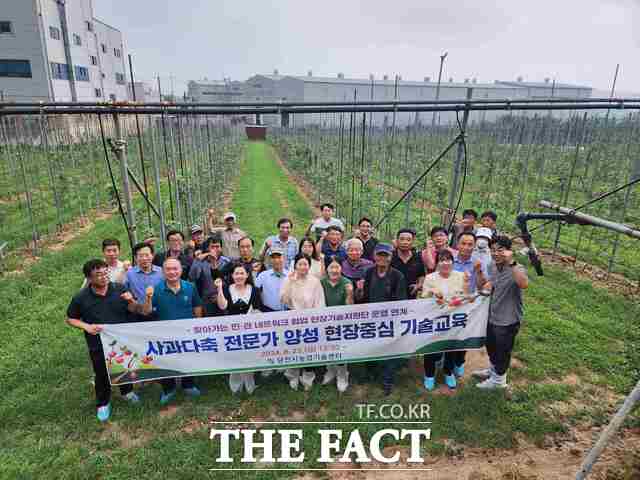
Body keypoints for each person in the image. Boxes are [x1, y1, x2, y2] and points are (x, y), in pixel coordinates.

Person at [66, 259, 151, 422]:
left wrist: (131, 301)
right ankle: (103, 403)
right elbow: (70, 318)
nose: (104, 277)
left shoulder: (119, 289)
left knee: (125, 365)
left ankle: (127, 391)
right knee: (102, 373)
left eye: (106, 273)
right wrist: (86, 327)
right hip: (98, 342)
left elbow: (134, 310)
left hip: (121, 340)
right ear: (89, 278)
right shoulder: (81, 298)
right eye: (98, 274)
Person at [142, 258, 204, 405]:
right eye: (168, 269)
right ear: (163, 272)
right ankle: (168, 389)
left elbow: (197, 306)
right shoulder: (156, 289)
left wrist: (198, 325)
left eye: (175, 269)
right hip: (164, 334)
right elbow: (146, 311)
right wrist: (148, 298)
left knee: (188, 359)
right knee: (166, 362)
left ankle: (188, 384)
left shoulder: (190, 287)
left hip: (187, 332)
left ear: (181, 270)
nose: (172, 272)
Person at [474, 235, 528, 390]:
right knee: (491, 346)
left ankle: (499, 381)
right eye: (493, 250)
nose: (496, 253)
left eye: (500, 250)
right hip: (493, 315)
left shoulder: (516, 268)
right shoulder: (492, 265)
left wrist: (512, 263)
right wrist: (478, 273)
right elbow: (487, 284)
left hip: (508, 319)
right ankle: (493, 371)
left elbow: (523, 284)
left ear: (509, 252)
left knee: (502, 351)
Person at [355, 243, 407, 396]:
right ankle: (370, 373)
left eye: (386, 255)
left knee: (389, 349)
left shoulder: (398, 276)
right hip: (370, 319)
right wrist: (359, 289)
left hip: (389, 321)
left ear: (391, 257)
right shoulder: (368, 272)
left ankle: (387, 379)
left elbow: (401, 301)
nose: (382, 258)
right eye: (379, 255)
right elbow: (360, 298)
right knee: (370, 346)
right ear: (374, 256)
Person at [421, 249, 470, 391]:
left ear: (453, 262)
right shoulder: (430, 278)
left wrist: (466, 284)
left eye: (449, 259)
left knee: (451, 347)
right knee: (431, 348)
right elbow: (423, 297)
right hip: (434, 320)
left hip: (453, 319)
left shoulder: (461, 276)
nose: (445, 263)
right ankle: (429, 375)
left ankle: (448, 372)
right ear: (437, 263)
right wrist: (432, 292)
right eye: (442, 260)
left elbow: (466, 297)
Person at [280, 253, 326, 390]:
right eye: (300, 264)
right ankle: (293, 374)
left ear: (309, 266)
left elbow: (320, 302)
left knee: (309, 350)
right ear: (295, 266)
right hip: (293, 320)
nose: (303, 267)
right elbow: (284, 300)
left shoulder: (315, 281)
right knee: (294, 349)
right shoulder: (289, 280)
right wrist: (290, 282)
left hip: (311, 321)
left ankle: (307, 376)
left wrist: (316, 319)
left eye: (305, 264)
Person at [215, 263, 263, 394]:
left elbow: (258, 309)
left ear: (247, 275)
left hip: (249, 330)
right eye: (236, 273)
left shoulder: (254, 290)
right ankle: (235, 386)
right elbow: (223, 306)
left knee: (248, 357)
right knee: (235, 357)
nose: (239, 276)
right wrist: (219, 289)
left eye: (242, 273)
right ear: (232, 275)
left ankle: (249, 384)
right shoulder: (227, 289)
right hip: (231, 330)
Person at [450, 231, 489, 377]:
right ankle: (444, 359)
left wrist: (478, 271)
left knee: (463, 335)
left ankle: (459, 361)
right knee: (447, 332)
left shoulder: (478, 262)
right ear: (457, 244)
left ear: (474, 246)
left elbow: (480, 286)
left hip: (467, 305)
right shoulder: (450, 259)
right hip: (449, 304)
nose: (466, 247)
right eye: (463, 243)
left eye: (470, 244)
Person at [320, 259, 353, 392]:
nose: (334, 270)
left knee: (340, 350)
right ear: (327, 269)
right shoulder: (321, 283)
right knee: (327, 348)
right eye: (331, 267)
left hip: (341, 322)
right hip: (324, 322)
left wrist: (350, 294)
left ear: (341, 268)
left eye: (337, 267)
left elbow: (349, 306)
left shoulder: (346, 283)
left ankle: (342, 375)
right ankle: (330, 371)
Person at [188, 236, 231, 317]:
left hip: (224, 299)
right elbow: (192, 277)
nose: (215, 249)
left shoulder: (226, 262)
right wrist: (197, 260)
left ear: (221, 248)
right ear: (208, 248)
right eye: (212, 247)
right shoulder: (202, 262)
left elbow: (228, 281)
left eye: (217, 246)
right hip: (207, 301)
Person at [391, 228, 426, 299]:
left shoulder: (417, 257)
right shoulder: (390, 256)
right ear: (397, 241)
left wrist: (419, 285)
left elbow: (421, 275)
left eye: (408, 240)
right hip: (391, 297)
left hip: (411, 297)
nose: (405, 242)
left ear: (413, 242)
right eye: (402, 239)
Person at [255, 247, 289, 312]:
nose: (276, 260)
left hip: (287, 312)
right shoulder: (263, 276)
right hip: (268, 312)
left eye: (279, 257)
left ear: (284, 258)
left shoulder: (290, 275)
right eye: (273, 258)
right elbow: (254, 292)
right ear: (270, 260)